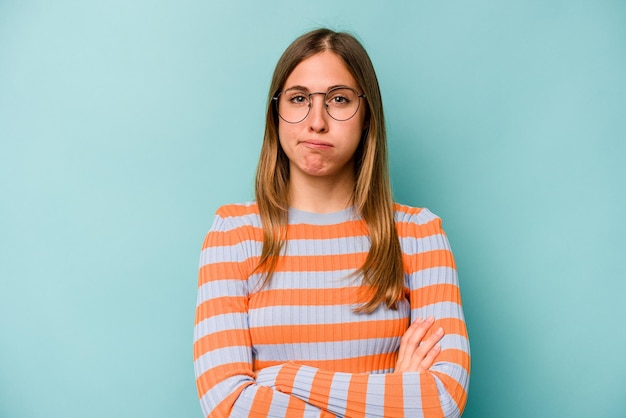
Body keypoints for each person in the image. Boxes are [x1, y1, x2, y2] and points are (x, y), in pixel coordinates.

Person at [193, 28, 470, 417]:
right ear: (277, 114)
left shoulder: (419, 235)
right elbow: (228, 402)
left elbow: (441, 400)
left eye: (339, 99)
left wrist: (281, 377)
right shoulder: (233, 235)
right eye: (299, 99)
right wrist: (394, 394)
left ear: (367, 115)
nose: (317, 121)